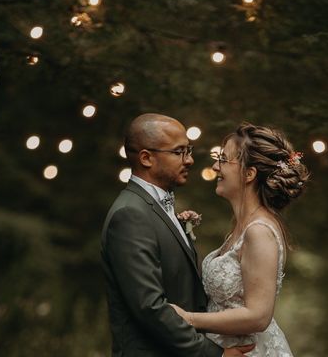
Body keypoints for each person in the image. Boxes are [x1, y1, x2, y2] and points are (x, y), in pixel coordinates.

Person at [100, 113, 255, 357]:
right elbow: (149, 307)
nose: (190, 160)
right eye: (179, 151)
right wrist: (216, 355)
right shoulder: (130, 214)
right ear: (146, 158)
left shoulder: (156, 208)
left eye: (189, 150)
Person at [170, 123, 309, 356]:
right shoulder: (241, 227)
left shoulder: (259, 232)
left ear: (249, 174)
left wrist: (189, 319)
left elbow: (258, 316)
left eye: (224, 160)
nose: (215, 166)